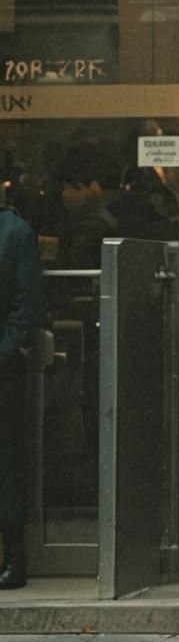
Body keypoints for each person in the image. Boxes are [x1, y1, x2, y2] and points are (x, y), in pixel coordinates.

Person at [0, 204, 43, 589]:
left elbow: (25, 309)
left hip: (3, 368)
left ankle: (13, 557)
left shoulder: (16, 232)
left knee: (7, 461)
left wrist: (6, 351)